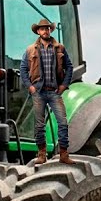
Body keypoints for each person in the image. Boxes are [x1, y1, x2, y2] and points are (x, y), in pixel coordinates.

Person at [19, 18, 75, 164]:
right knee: (39, 125)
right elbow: (23, 70)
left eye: (48, 28)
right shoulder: (30, 50)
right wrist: (30, 87)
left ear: (50, 30)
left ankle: (63, 154)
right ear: (38, 31)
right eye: (43, 29)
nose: (45, 31)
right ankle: (42, 154)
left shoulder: (60, 48)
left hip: (54, 91)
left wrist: (63, 85)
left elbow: (69, 67)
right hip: (38, 91)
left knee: (62, 122)